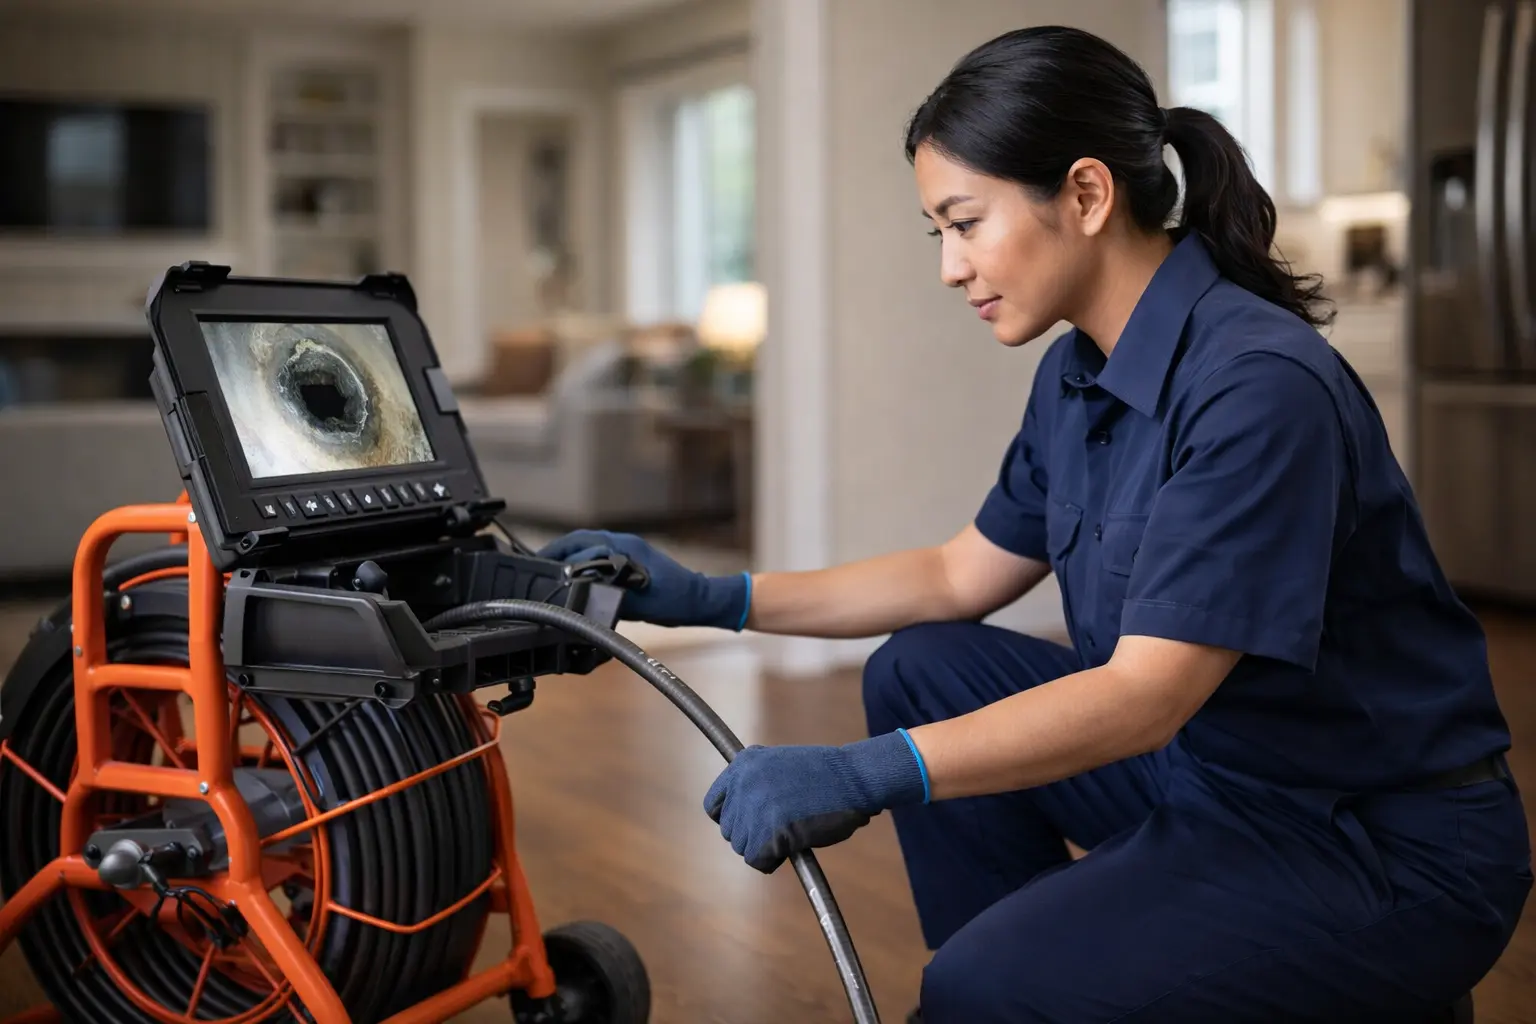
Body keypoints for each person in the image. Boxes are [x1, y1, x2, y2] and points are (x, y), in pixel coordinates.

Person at [537, 25, 1532, 1024]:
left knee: (976, 985)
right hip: (1215, 771)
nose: (950, 266)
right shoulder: (1078, 371)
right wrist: (713, 597)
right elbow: (955, 576)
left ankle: (1028, 991)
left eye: (966, 223)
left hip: (1377, 842)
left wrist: (865, 772)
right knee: (920, 668)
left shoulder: (1255, 386)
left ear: (1088, 195)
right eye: (938, 232)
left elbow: (1145, 696)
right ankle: (1043, 984)